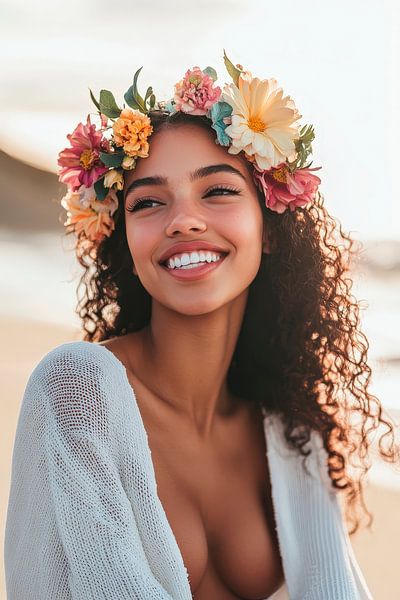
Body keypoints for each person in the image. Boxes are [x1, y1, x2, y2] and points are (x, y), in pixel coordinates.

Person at [4, 52, 397, 599]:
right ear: (126, 244)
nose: (184, 219)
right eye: (148, 203)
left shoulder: (292, 427)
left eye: (217, 191)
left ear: (271, 228)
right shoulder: (78, 387)